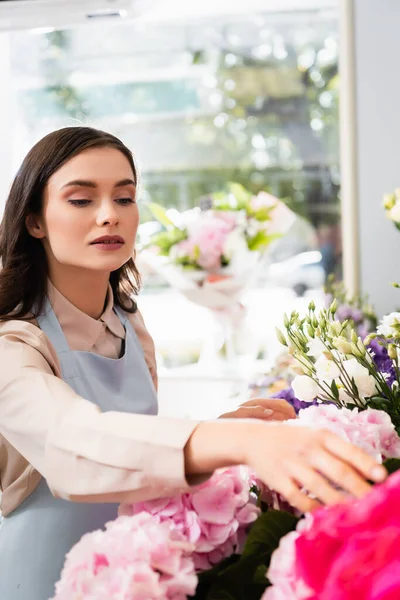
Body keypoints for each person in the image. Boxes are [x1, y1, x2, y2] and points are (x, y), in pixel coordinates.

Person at [0, 127, 386, 600]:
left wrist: (217, 435)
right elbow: (71, 441)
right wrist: (237, 440)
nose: (109, 216)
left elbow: (129, 457)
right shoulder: (13, 345)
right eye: (81, 200)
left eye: (125, 198)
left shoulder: (129, 324)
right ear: (35, 220)